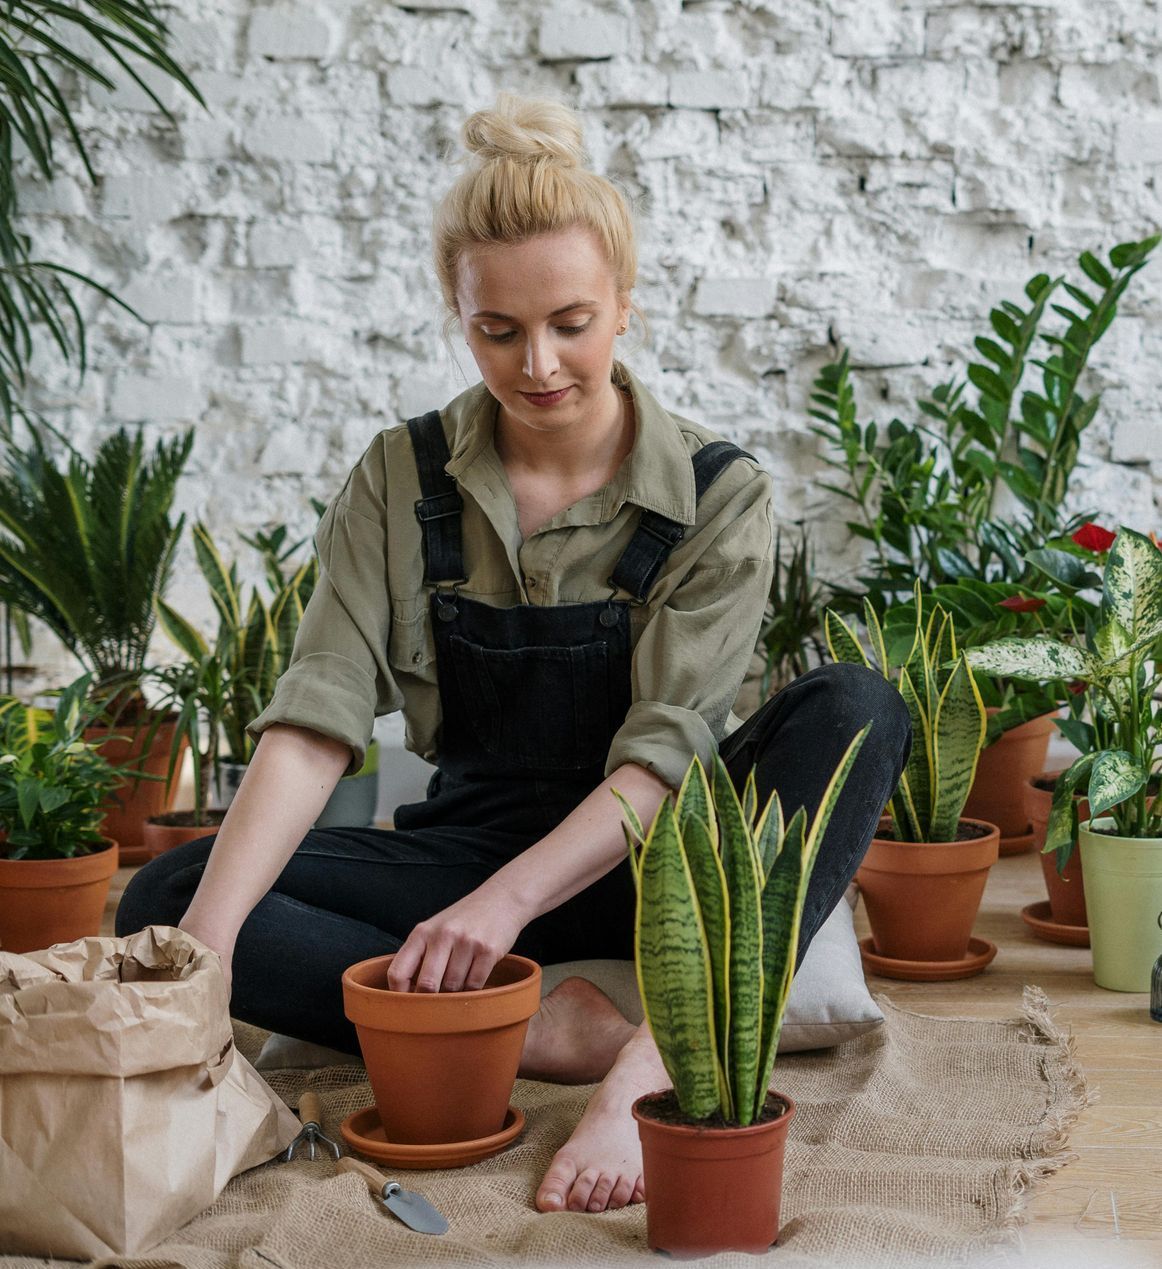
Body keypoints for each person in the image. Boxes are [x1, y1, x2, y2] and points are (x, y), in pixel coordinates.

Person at [117, 92, 911, 1216]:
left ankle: (654, 1061)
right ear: (458, 313)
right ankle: (541, 1028)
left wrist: (498, 912)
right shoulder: (401, 478)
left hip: (662, 861)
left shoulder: (718, 497)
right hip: (470, 844)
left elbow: (662, 760)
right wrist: (202, 960)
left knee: (859, 703)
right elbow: (313, 723)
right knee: (171, 894)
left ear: (625, 308)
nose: (538, 363)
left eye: (571, 323)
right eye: (499, 331)